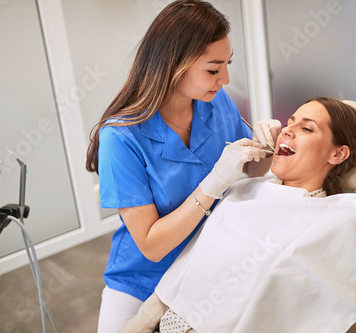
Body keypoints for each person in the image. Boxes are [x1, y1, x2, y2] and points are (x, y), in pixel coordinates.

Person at [119, 97, 356, 333]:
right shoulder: (242, 191)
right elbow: (177, 284)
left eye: (307, 129)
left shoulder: (342, 216)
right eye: (290, 122)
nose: (287, 131)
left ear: (338, 154)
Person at [85, 1, 280, 331]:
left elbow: (252, 171)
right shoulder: (120, 136)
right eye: (213, 69)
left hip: (210, 262)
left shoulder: (217, 103)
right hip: (143, 278)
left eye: (227, 65)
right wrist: (214, 183)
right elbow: (152, 246)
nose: (226, 79)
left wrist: (267, 148)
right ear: (174, 65)